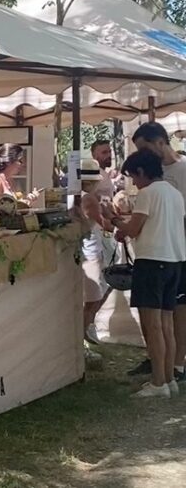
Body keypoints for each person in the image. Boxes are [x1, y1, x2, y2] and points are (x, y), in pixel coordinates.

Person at [105, 149, 185, 398]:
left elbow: (133, 228)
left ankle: (158, 382)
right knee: (166, 324)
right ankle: (169, 378)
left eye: (133, 177)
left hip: (152, 261)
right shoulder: (175, 194)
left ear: (141, 172)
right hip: (175, 261)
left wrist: (114, 220)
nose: (134, 182)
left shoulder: (148, 194)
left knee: (153, 325)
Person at [129, 122, 186, 383]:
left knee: (164, 319)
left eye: (144, 148)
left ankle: (167, 374)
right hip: (172, 255)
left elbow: (136, 226)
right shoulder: (166, 187)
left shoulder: (154, 188)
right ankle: (165, 371)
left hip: (162, 257)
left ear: (160, 142)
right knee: (163, 320)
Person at [73, 158, 114, 348]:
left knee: (92, 296)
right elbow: (103, 223)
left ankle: (84, 334)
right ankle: (85, 334)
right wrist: (114, 219)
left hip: (84, 249)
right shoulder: (88, 198)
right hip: (90, 250)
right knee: (94, 297)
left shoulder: (76, 195)